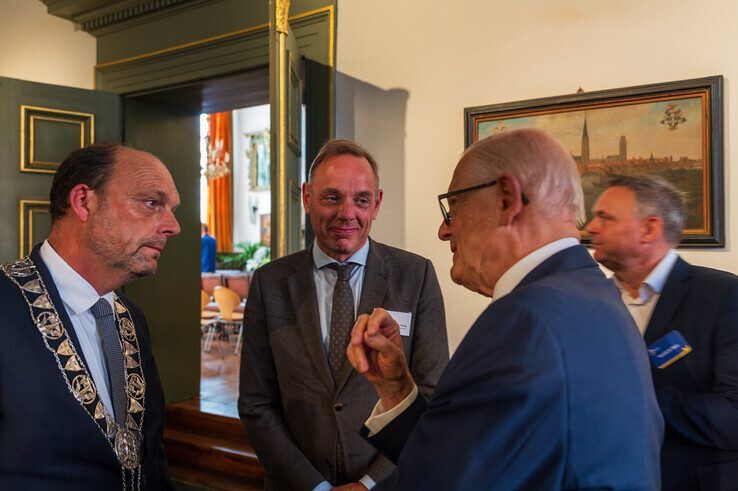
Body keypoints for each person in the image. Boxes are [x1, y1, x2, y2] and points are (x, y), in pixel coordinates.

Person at [347, 129, 664, 490]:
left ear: (506, 199)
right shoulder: (595, 295)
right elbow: (464, 456)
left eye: (454, 206)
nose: (444, 230)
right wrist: (397, 388)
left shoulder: (524, 319)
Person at [239, 139, 449, 490]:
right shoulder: (269, 283)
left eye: (361, 200)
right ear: (307, 197)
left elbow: (430, 392)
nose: (347, 213)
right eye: (332, 197)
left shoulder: (416, 276)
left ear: (377, 203)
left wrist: (369, 483)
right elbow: (256, 403)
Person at [0, 142, 179, 489]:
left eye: (171, 208)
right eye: (151, 203)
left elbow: (151, 457)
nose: (173, 226)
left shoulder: (131, 317)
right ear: (84, 201)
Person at [586, 175, 738, 490]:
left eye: (605, 217)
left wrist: (628, 397)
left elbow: (732, 416)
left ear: (650, 228)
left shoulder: (724, 296)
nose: (590, 227)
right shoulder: (587, 299)